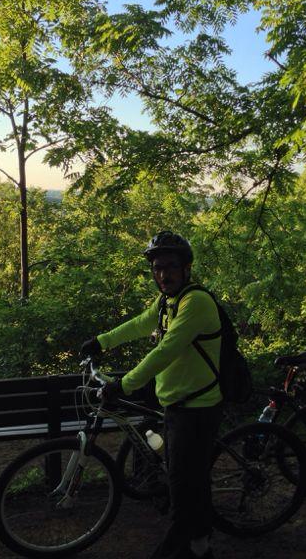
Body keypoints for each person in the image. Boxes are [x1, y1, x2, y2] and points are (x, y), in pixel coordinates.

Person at [80, 230, 223, 559]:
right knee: (190, 482)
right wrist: (101, 341)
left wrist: (123, 384)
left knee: (182, 488)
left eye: (170, 267)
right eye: (157, 268)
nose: (163, 274)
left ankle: (174, 549)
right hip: (176, 404)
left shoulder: (196, 301)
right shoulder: (166, 302)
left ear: (186, 268)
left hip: (197, 409)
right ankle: (202, 546)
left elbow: (166, 351)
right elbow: (140, 324)